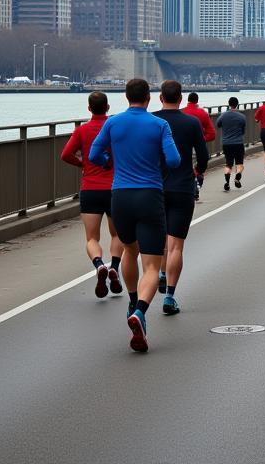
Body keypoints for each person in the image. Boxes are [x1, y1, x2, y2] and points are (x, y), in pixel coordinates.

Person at [89, 78, 181, 353]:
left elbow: (94, 155)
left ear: (126, 97)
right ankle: (140, 312)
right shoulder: (159, 125)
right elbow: (175, 160)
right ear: (149, 99)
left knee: (129, 251)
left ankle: (131, 300)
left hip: (121, 196)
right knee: (152, 265)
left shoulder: (113, 123)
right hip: (150, 194)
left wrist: (111, 162)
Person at [60, 90, 124, 297]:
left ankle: (99, 265)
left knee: (92, 238)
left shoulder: (82, 131)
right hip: (115, 188)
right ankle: (114, 266)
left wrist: (82, 165)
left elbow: (65, 154)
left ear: (89, 108)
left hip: (90, 188)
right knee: (117, 234)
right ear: (107, 107)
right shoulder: (115, 127)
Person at [153, 80, 209, 315]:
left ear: (160, 97)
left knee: (160, 239)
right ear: (181, 98)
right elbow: (203, 154)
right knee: (176, 243)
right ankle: (169, 297)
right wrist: (198, 172)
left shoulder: (152, 121)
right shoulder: (191, 122)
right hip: (183, 186)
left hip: (155, 187)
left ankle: (161, 273)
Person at [182, 92, 216, 198]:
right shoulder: (202, 113)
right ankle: (197, 181)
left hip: (182, 145)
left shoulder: (181, 112)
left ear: (187, 100)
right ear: (197, 100)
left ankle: (190, 186)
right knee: (197, 166)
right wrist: (201, 140)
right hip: (197, 146)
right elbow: (212, 134)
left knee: (185, 166)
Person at [217, 97, 247, 190]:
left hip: (227, 143)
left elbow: (218, 124)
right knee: (239, 163)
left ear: (229, 104)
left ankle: (227, 182)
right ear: (237, 104)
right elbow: (243, 131)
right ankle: (237, 175)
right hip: (238, 143)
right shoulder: (242, 117)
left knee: (228, 164)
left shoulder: (223, 115)